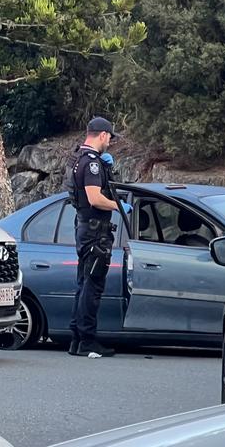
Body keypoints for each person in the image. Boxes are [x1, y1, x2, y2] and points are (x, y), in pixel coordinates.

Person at [63, 116, 132, 358]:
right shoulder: (91, 162)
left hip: (86, 228)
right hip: (95, 232)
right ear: (103, 135)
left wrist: (108, 168)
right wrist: (119, 206)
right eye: (110, 138)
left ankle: (77, 338)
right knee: (93, 287)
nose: (110, 143)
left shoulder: (79, 158)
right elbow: (94, 198)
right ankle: (87, 340)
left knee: (84, 285)